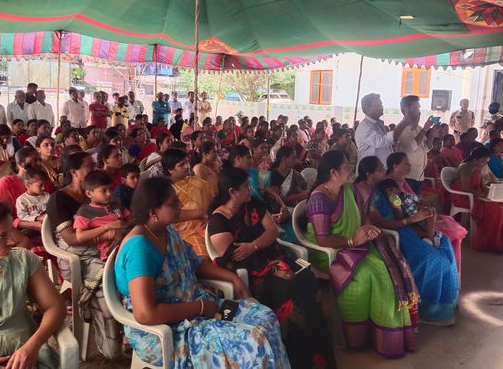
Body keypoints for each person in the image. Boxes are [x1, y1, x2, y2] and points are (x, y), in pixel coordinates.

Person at [113, 176, 289, 367]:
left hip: (195, 307)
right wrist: (201, 308)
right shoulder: (140, 248)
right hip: (165, 330)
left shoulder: (166, 230)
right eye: (174, 203)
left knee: (266, 317)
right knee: (254, 342)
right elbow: (145, 314)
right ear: (153, 211)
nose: (180, 205)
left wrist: (233, 278)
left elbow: (194, 262)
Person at [209, 167, 336, 368]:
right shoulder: (218, 221)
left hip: (275, 256)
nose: (250, 189)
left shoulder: (254, 204)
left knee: (307, 274)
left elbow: (272, 231)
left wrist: (254, 246)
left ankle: (318, 350)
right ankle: (297, 357)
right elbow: (234, 259)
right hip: (252, 273)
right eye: (245, 186)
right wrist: (272, 269)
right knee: (287, 292)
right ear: (232, 192)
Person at [305, 150, 416, 355]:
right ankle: (357, 337)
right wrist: (351, 240)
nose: (351, 168)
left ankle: (384, 335)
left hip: (354, 244)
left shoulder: (349, 189)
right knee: (364, 276)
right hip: (328, 251)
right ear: (333, 172)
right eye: (346, 165)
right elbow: (322, 239)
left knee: (386, 268)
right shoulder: (319, 198)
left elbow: (363, 215)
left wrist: (367, 228)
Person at [356, 161, 458, 324]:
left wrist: (419, 215)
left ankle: (446, 304)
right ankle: (428, 308)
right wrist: (409, 220)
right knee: (434, 260)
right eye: (381, 170)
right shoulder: (370, 194)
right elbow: (379, 223)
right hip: (395, 233)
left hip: (408, 227)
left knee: (446, 246)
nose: (385, 171)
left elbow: (404, 209)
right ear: (369, 174)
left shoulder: (387, 188)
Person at [46, 152, 122, 358]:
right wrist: (105, 233)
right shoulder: (59, 199)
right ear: (74, 172)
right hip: (76, 257)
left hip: (103, 249)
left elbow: (121, 219)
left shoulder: (101, 195)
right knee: (106, 283)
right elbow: (70, 239)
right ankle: (110, 347)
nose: (95, 169)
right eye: (89, 166)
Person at [0, 200, 65, 368]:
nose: (11, 241)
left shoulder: (22, 261)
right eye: (1, 236)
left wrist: (33, 345)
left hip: (25, 356)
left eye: (11, 232)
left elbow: (55, 307)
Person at [385, 152, 467, 275]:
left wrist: (424, 206)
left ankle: (451, 271)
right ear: (395, 166)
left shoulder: (401, 179)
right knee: (446, 234)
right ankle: (437, 254)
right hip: (407, 218)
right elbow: (397, 208)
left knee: (449, 227)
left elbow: (413, 197)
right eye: (406, 163)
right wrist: (419, 213)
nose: (409, 165)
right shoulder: (389, 185)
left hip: (416, 213)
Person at [450, 146, 503, 253]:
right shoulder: (466, 167)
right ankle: (486, 243)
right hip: (463, 197)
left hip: (475, 195)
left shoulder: (477, 167)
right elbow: (466, 188)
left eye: (486, 162)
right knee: (496, 210)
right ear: (474, 159)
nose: (484, 164)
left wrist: (492, 193)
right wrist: (481, 195)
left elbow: (480, 186)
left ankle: (498, 239)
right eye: (483, 161)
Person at [160, 149, 213, 256]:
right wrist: (200, 213)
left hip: (207, 224)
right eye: (181, 165)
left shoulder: (197, 181)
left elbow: (212, 201)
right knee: (203, 256)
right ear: (170, 170)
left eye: (187, 162)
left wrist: (210, 216)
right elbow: (169, 215)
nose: (187, 166)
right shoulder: (166, 189)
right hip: (184, 232)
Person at [73, 170, 129, 261]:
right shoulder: (85, 212)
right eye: (103, 191)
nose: (109, 193)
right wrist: (106, 227)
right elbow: (80, 236)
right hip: (111, 253)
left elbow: (130, 219)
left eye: (110, 189)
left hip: (126, 242)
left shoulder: (115, 205)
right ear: (89, 194)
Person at [395, 95, 437, 195]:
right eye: (417, 107)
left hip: (419, 176)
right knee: (408, 206)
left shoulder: (418, 128)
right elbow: (410, 148)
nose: (419, 110)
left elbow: (425, 148)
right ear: (406, 109)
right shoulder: (402, 128)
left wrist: (432, 134)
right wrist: (425, 129)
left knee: (416, 205)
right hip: (408, 176)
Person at [0, 147, 48, 217]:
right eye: (34, 160)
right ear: (20, 164)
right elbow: (0, 215)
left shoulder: (42, 180)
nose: (39, 163)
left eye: (39, 160)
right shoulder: (6, 183)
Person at [354, 93, 408, 169]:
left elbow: (388, 143)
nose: (382, 107)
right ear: (368, 108)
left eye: (381, 105)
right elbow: (381, 142)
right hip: (370, 173)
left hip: (380, 171)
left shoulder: (377, 124)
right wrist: (405, 122)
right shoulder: (365, 127)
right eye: (378, 105)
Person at [268, 146, 309, 242]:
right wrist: (300, 196)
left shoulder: (294, 173)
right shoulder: (273, 175)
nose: (296, 160)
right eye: (293, 158)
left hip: (297, 207)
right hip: (282, 212)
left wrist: (303, 194)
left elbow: (302, 187)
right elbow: (277, 199)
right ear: (284, 159)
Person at [16, 167, 50, 231]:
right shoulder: (22, 200)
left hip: (47, 223)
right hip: (32, 227)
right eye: (40, 185)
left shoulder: (46, 195)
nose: (43, 188)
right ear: (27, 185)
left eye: (44, 184)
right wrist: (37, 218)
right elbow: (22, 216)